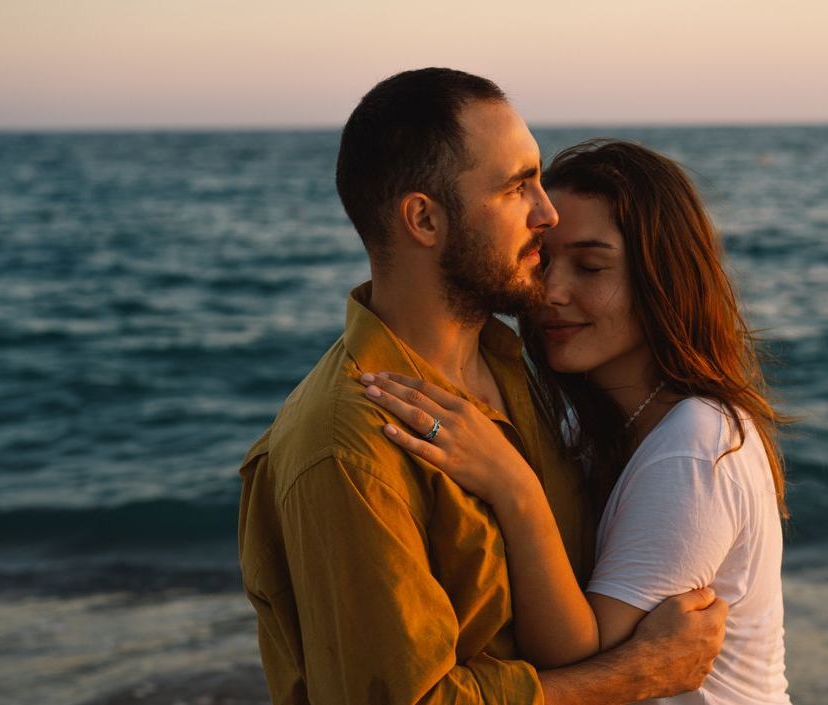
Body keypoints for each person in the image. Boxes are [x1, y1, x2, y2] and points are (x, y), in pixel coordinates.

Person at [238, 69, 727, 705]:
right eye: (517, 187)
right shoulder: (348, 446)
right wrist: (635, 674)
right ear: (424, 219)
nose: (546, 214)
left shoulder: (518, 369)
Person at [361, 140, 795, 703]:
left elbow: (579, 660)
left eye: (590, 266)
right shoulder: (594, 430)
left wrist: (513, 487)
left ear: (662, 279)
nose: (551, 293)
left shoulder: (697, 443)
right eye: (542, 261)